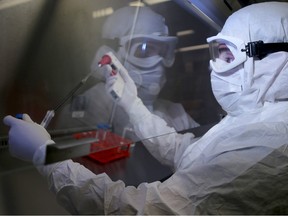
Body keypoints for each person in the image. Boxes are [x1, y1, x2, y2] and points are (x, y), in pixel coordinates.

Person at [3, 2, 288, 214]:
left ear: (274, 59)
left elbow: (142, 210)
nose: (217, 68)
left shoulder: (271, 145)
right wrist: (130, 100)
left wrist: (47, 157)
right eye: (217, 53)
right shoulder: (258, 119)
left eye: (229, 54)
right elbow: (187, 152)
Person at [55, 6, 199, 141]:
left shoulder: (174, 113)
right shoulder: (91, 107)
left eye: (162, 52)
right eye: (144, 50)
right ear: (109, 55)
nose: (158, 63)